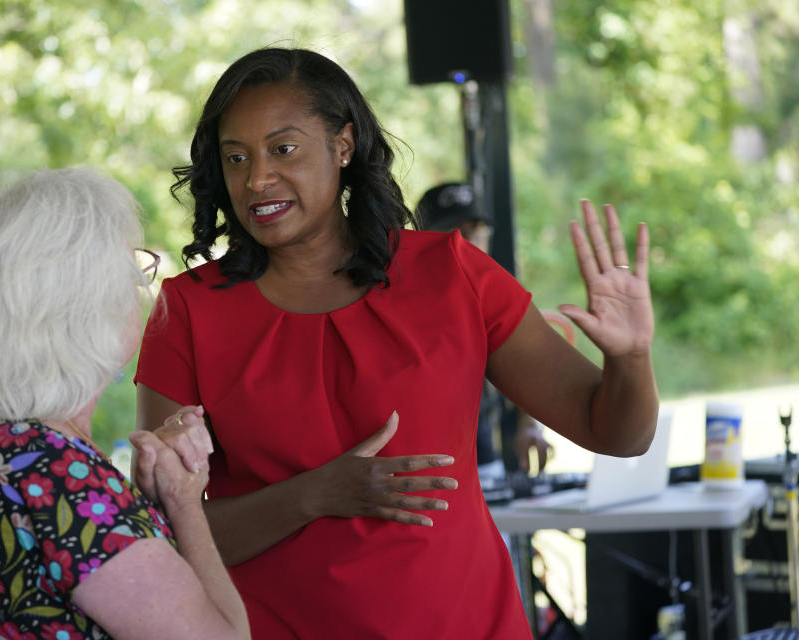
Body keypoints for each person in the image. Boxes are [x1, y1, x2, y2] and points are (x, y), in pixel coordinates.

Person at [135, 48, 658, 639]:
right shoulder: (188, 309)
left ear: (343, 144)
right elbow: (163, 532)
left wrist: (630, 357)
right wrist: (315, 494)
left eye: (283, 149)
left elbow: (617, 433)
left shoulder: (452, 274)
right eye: (236, 158)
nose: (256, 179)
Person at [0, 168, 249, 639]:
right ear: (85, 305)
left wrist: (141, 500)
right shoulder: (56, 472)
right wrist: (183, 498)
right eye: (130, 272)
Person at [416, 182, 551, 478]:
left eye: (476, 230)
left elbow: (521, 369)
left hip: (486, 465)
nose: (468, 241)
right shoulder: (401, 301)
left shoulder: (492, 298)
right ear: (420, 238)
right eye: (454, 231)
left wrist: (529, 424)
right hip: (417, 476)